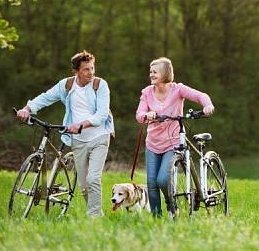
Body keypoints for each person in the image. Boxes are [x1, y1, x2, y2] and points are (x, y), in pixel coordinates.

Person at [16, 50, 114, 218]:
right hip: (78, 141)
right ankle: (98, 213)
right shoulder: (67, 85)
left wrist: (81, 124)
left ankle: (94, 219)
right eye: (86, 69)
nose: (91, 72)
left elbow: (102, 115)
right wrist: (27, 109)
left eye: (92, 68)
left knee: (93, 179)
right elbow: (46, 98)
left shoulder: (100, 85)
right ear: (76, 71)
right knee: (83, 186)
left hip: (99, 137)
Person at [136, 57, 214, 217]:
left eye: (154, 72)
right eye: (150, 71)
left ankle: (172, 209)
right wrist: (147, 114)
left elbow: (201, 96)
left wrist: (207, 105)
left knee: (163, 180)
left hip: (172, 143)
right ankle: (156, 218)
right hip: (152, 143)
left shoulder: (178, 89)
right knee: (151, 184)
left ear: (165, 73)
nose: (151, 74)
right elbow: (139, 114)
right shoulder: (147, 92)